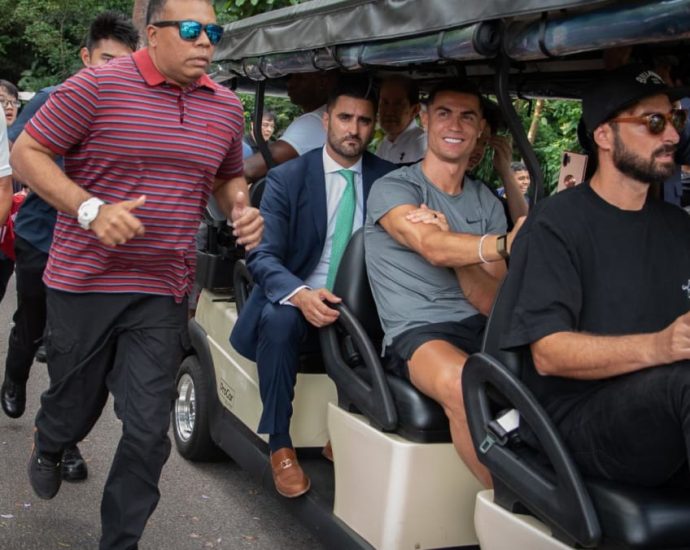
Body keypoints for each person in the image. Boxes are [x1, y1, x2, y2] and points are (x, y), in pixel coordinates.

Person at [9, 1, 262, 548]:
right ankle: (51, 440)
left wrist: (241, 208)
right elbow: (28, 152)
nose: (206, 43)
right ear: (153, 34)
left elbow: (227, 178)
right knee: (74, 402)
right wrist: (90, 210)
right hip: (84, 281)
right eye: (192, 30)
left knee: (149, 431)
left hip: (162, 288)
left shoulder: (224, 108)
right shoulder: (96, 87)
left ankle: (118, 542)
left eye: (213, 32)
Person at [501, 64, 690, 487]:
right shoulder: (557, 223)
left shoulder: (679, 228)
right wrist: (661, 346)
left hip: (663, 411)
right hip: (579, 419)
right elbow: (549, 352)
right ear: (604, 136)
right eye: (654, 123)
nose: (673, 137)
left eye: (675, 120)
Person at [230, 78, 395, 498]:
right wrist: (302, 295)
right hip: (300, 294)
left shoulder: (390, 180)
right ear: (326, 121)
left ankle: (346, 431)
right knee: (279, 317)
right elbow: (263, 257)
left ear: (373, 127)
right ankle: (280, 443)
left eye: (363, 121)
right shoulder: (288, 178)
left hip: (360, 303)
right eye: (344, 118)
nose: (352, 129)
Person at [0, 11, 139, 484]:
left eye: (123, 62)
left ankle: (64, 442)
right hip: (44, 237)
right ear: (85, 56)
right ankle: (15, 371)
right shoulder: (51, 98)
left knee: (72, 349)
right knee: (32, 324)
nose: (113, 70)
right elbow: (19, 158)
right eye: (105, 59)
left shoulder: (133, 108)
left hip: (97, 251)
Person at [364, 80, 524, 488]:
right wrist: (500, 244)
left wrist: (461, 253)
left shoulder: (486, 203)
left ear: (480, 130)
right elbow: (431, 245)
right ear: (425, 119)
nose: (455, 125)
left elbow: (491, 301)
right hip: (418, 332)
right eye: (444, 113)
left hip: (479, 327)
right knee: (462, 383)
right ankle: (516, 507)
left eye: (467, 116)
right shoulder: (396, 187)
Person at [243, 71, 339, 182]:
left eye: (299, 77)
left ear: (323, 82)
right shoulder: (328, 115)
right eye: (289, 77)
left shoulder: (314, 120)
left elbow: (251, 168)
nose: (289, 83)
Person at [468, 99, 529, 226]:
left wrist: (506, 171)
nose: (479, 150)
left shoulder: (481, 190)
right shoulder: (418, 182)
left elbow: (522, 223)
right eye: (475, 140)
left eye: (484, 144)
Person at [376, 75, 426, 164]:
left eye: (398, 104)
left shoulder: (423, 144)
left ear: (415, 110)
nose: (389, 111)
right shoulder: (383, 145)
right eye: (384, 103)